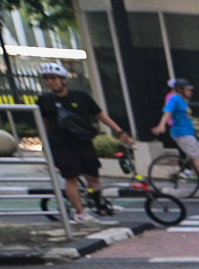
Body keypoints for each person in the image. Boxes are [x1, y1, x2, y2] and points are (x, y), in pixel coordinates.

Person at [36, 63, 133, 223]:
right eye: (47, 79)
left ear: (64, 79)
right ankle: (80, 212)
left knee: (93, 178)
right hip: (61, 146)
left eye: (53, 78)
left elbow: (100, 115)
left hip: (83, 142)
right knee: (72, 178)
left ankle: (100, 205)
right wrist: (45, 143)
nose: (50, 82)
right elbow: (44, 122)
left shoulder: (81, 97)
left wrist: (120, 131)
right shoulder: (45, 100)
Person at [152, 78, 199, 186]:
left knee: (198, 156)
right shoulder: (175, 99)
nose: (190, 92)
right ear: (180, 90)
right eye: (187, 90)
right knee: (196, 157)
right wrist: (161, 125)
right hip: (182, 133)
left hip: (189, 132)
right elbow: (167, 112)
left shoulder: (183, 101)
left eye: (191, 90)